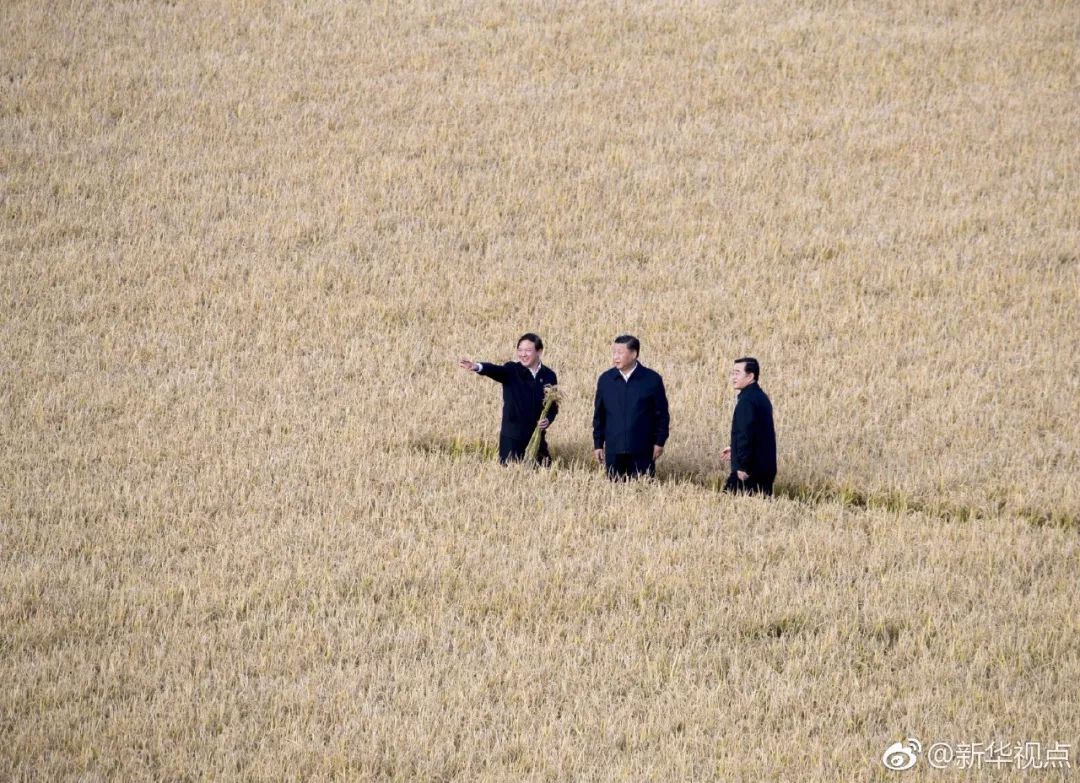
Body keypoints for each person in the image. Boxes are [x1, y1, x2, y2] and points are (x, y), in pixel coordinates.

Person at [459, 333, 558, 464]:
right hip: (512, 439)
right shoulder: (512, 370)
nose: (523, 354)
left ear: (539, 351)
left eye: (528, 350)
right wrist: (477, 367)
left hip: (537, 438)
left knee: (545, 471)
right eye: (520, 350)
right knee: (511, 473)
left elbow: (553, 407)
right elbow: (496, 370)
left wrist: (548, 420)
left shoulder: (549, 376)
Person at [592, 335, 670, 479]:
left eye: (620, 352)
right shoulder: (606, 380)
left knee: (642, 488)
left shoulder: (652, 379)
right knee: (614, 490)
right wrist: (598, 444)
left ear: (634, 354)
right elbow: (599, 415)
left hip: (642, 450)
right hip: (614, 450)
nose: (615, 357)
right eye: (614, 352)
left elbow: (662, 415)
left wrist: (660, 442)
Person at [721, 357, 777, 496]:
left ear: (750, 376)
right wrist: (734, 449)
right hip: (764, 469)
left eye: (737, 373)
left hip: (748, 473)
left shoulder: (746, 401)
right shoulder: (761, 398)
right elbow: (757, 434)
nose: (733, 377)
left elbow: (744, 434)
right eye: (732, 373)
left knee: (728, 504)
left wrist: (742, 466)